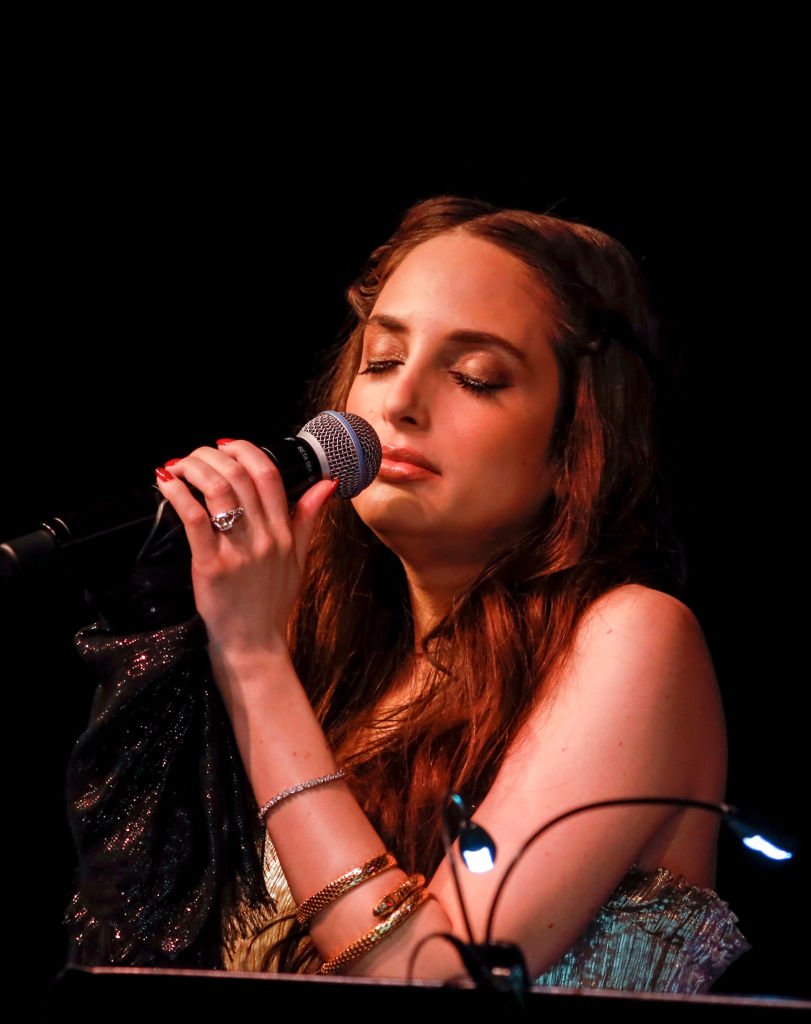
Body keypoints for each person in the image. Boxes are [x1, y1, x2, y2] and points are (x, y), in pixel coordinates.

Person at [64, 195, 749, 993]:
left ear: (576, 442)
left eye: (474, 376)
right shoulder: (328, 657)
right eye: (382, 361)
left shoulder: (635, 637)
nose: (399, 403)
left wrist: (250, 659)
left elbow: (436, 980)